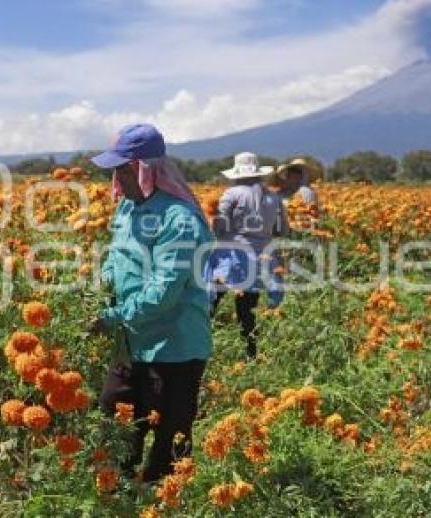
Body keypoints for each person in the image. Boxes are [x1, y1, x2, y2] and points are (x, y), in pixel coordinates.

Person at [89, 123, 213, 483]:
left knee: (168, 444)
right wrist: (99, 289)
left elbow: (164, 292)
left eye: (121, 169)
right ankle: (115, 500)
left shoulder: (180, 220)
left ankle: (163, 503)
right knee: (115, 427)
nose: (115, 178)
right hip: (131, 343)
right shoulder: (127, 211)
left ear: (144, 170)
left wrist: (111, 316)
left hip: (173, 348)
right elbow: (114, 260)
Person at [206, 152, 289, 360]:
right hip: (260, 257)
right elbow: (282, 230)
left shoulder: (232, 194)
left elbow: (219, 226)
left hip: (231, 255)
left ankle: (198, 350)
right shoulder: (273, 197)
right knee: (247, 310)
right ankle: (251, 355)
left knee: (210, 302)